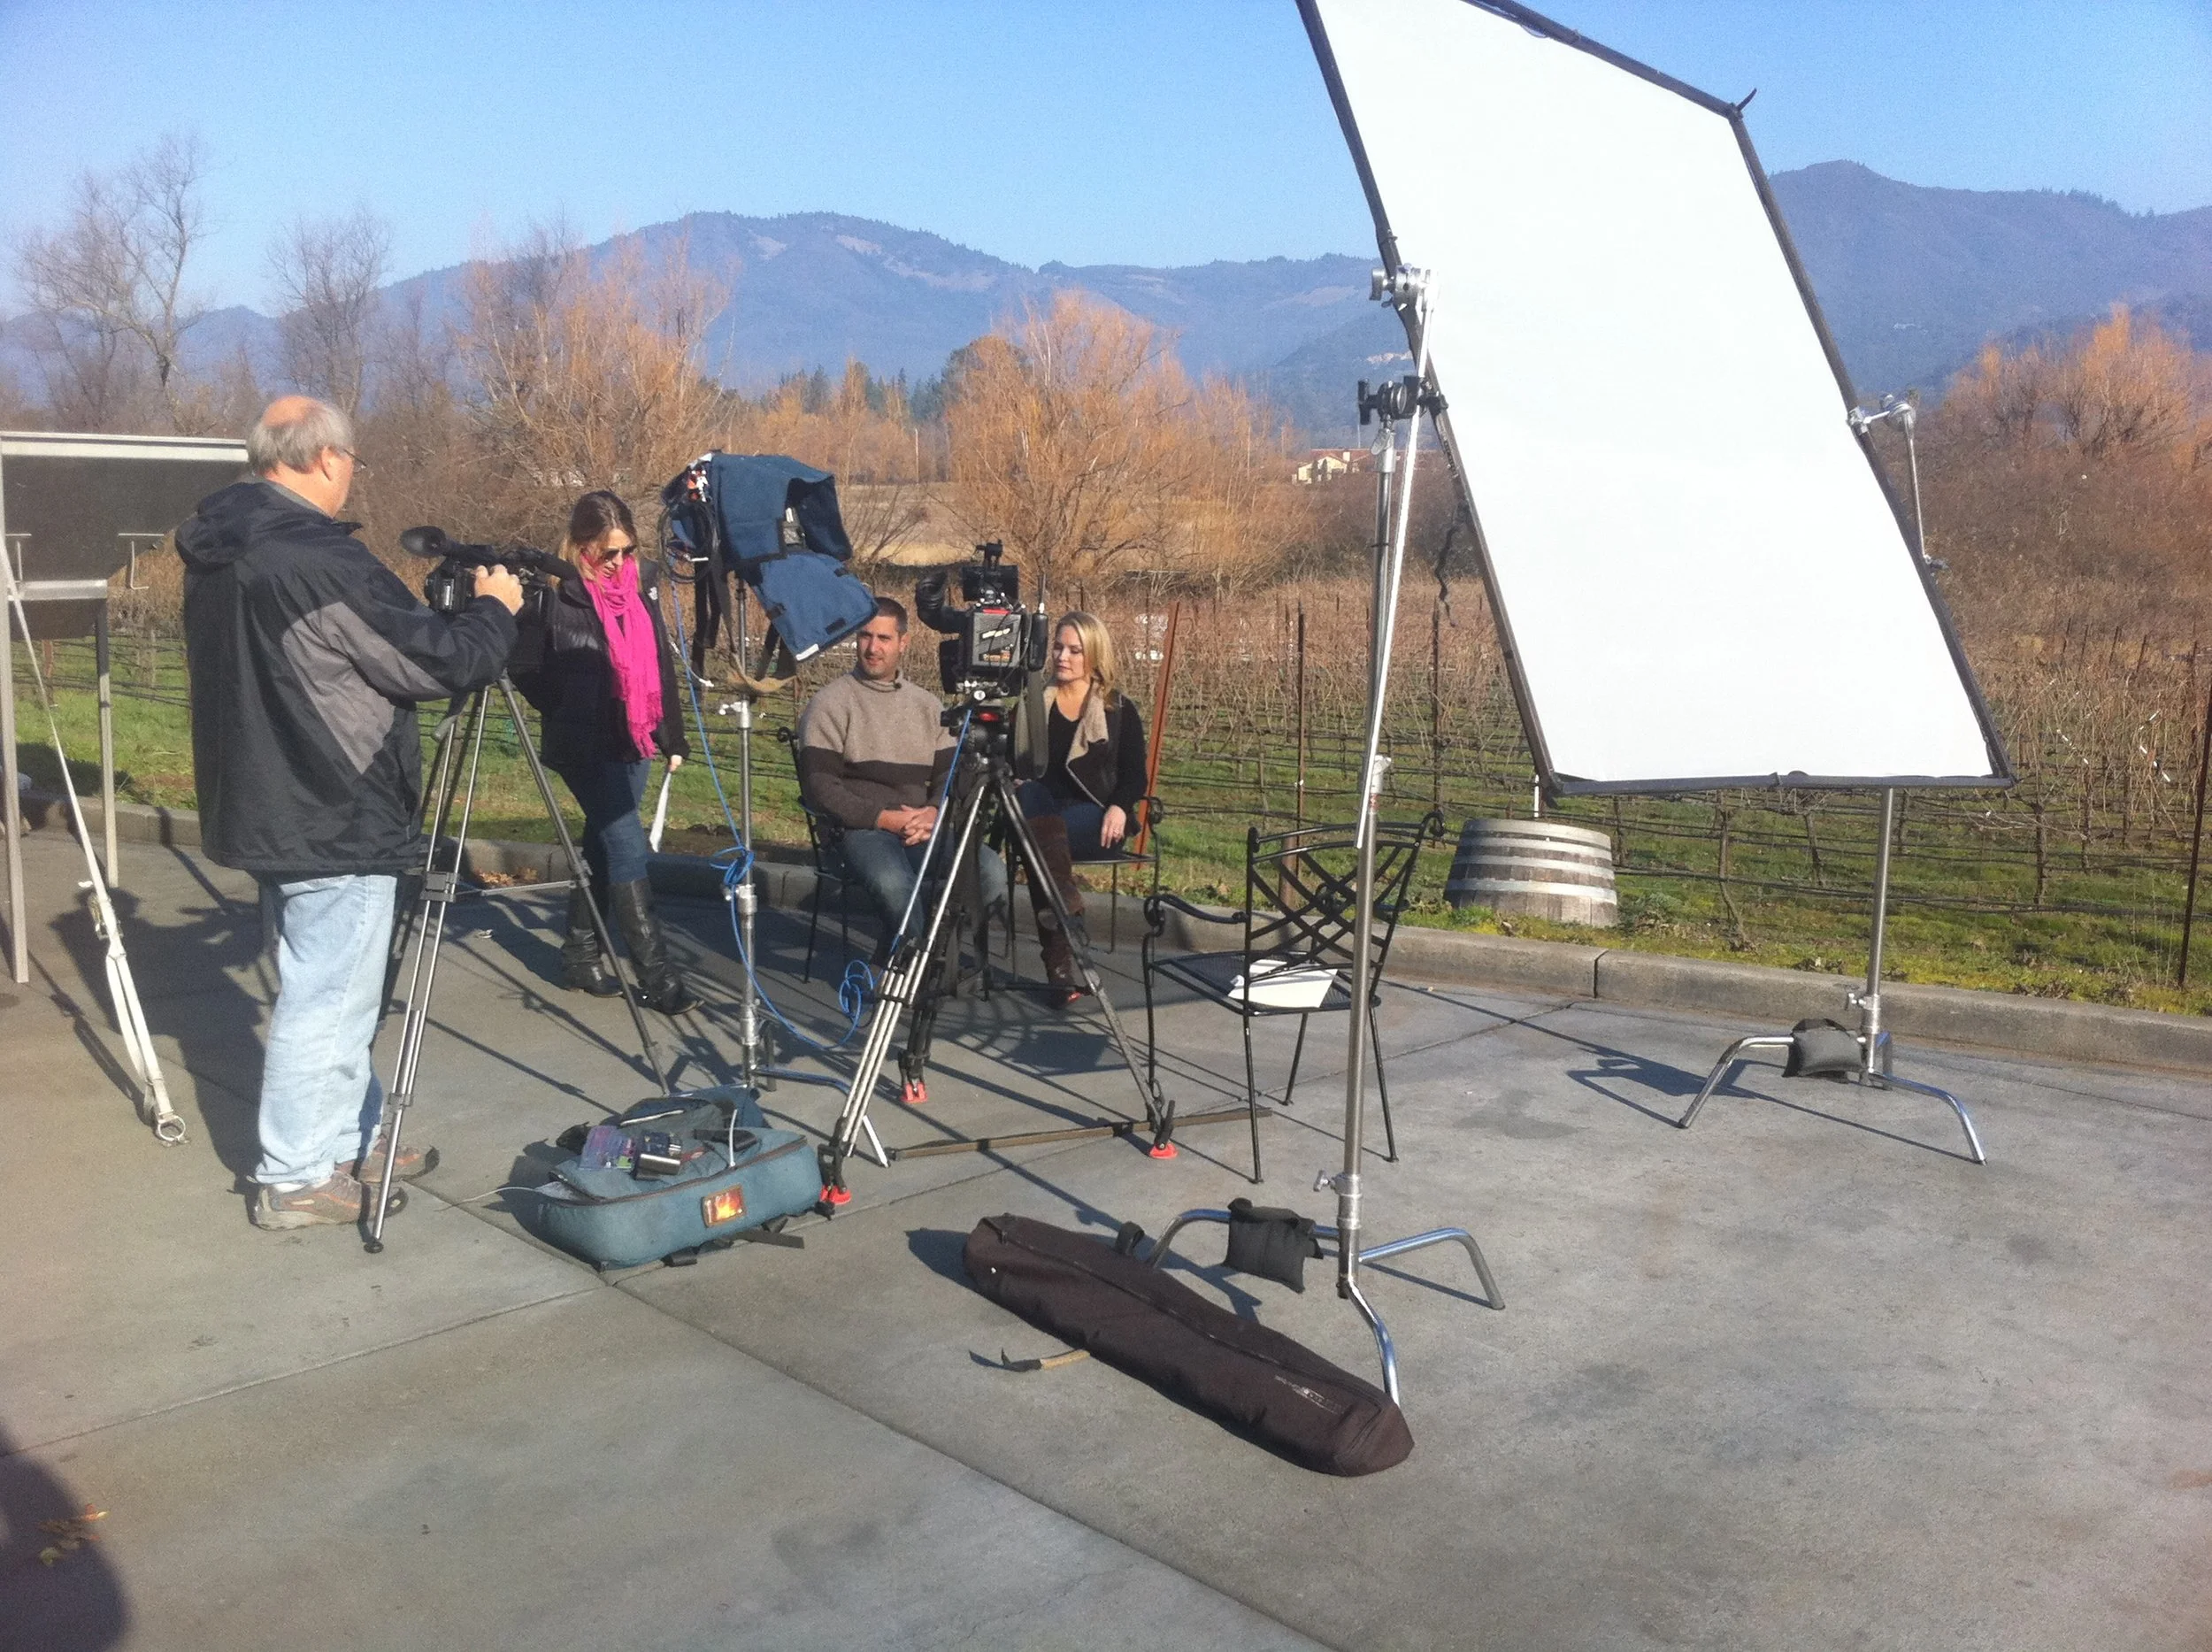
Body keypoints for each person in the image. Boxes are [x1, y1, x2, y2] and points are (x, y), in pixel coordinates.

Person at [179, 396, 523, 1230]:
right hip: (333, 803)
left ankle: (347, 1136)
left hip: (264, 796)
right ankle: (296, 1175)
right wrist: (495, 610)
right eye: (354, 461)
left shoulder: (222, 545)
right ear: (328, 458)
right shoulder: (312, 556)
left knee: (330, 984)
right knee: (325, 995)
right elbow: (430, 659)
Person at [512, 491, 695, 1014]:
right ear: (580, 543)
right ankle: (658, 978)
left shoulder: (642, 584)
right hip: (583, 740)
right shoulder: (555, 592)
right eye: (606, 551)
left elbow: (659, 662)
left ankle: (581, 956)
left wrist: (670, 735)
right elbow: (523, 667)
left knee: (601, 841)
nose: (617, 561)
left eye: (625, 549)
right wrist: (567, 704)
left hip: (633, 735)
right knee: (626, 843)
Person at [796, 597, 1003, 959]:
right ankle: (917, 960)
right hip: (860, 829)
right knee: (894, 884)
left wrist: (935, 813)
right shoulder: (830, 703)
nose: (872, 648)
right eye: (865, 636)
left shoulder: (928, 707)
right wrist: (885, 819)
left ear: (903, 643)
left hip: (921, 826)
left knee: (990, 872)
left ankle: (916, 945)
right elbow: (821, 788)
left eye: (884, 638)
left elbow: (950, 775)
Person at [1018, 611, 1148, 1005]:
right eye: (1058, 647)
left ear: (1094, 655)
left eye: (1075, 650)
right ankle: (1065, 920)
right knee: (1034, 810)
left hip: (1094, 816)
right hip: (1041, 812)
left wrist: (1120, 808)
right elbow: (1014, 766)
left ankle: (1058, 966)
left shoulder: (1118, 710)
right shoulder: (1033, 704)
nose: (1063, 657)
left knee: (1038, 841)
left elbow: (1134, 776)